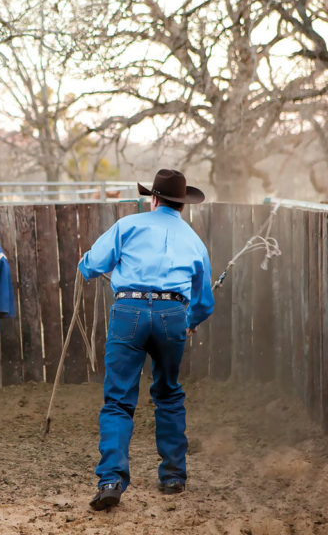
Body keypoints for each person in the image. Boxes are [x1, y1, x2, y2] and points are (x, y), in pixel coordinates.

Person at [78, 168, 215, 511]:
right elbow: (204, 303)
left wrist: (86, 265)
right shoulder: (195, 242)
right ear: (182, 204)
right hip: (172, 316)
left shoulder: (128, 225)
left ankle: (111, 480)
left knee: (118, 400)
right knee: (168, 393)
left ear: (153, 198)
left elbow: (92, 265)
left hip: (129, 312)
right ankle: (173, 476)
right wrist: (189, 321)